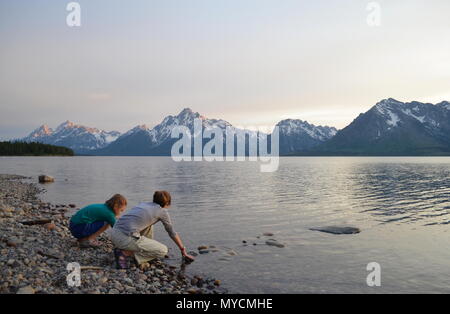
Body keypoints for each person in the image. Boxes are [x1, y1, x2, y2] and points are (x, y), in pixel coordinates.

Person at [110, 190, 194, 269]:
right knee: (163, 250)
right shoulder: (162, 211)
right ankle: (125, 254)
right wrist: (183, 250)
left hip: (114, 233)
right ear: (167, 203)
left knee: (149, 225)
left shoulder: (143, 204)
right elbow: (172, 233)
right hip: (124, 239)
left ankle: (142, 250)